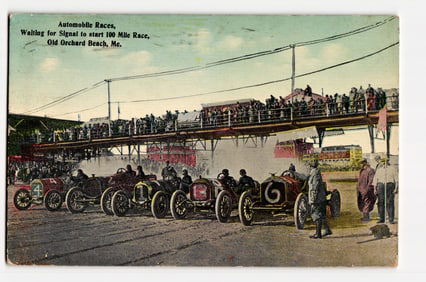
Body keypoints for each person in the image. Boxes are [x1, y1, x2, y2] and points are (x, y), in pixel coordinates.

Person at [308, 160, 332, 239]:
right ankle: (327, 230)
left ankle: (318, 234)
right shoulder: (316, 172)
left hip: (317, 199)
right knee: (322, 215)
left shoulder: (314, 173)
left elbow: (314, 187)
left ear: (311, 166)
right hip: (321, 198)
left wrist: (313, 200)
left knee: (316, 215)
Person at [373, 156, 398, 224]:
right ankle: (382, 218)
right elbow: (375, 180)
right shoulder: (379, 170)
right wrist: (375, 189)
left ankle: (391, 219)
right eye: (383, 162)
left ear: (388, 162)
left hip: (390, 186)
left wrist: (396, 188)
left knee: (390, 203)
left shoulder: (392, 169)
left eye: (385, 162)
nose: (384, 163)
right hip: (380, 186)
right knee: (380, 203)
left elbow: (396, 180)